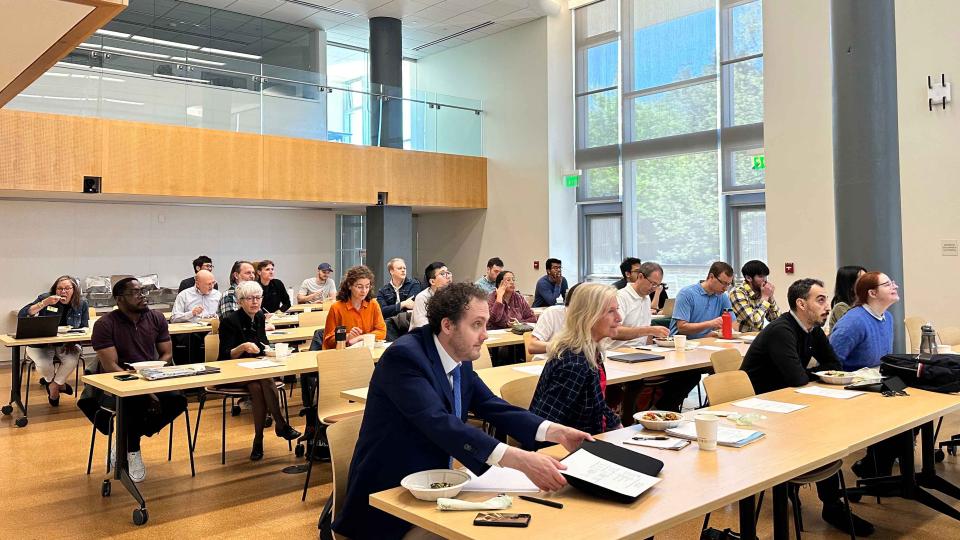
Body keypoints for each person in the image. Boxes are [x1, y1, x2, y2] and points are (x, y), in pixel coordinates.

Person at [332, 283, 594, 540]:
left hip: (436, 486)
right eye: (477, 325)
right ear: (447, 325)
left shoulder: (458, 354)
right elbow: (438, 422)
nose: (485, 334)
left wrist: (554, 431)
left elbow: (491, 405)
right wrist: (520, 459)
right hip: (389, 497)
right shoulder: (404, 357)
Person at [739, 278, 875, 537]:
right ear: (801, 304)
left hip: (790, 401)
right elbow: (798, 379)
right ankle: (828, 504)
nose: (827, 306)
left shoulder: (812, 329)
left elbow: (834, 365)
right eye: (820, 300)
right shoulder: (783, 330)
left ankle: (832, 505)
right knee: (821, 433)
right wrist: (814, 372)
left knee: (826, 430)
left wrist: (812, 372)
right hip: (759, 410)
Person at [82, 278, 187, 483]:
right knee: (135, 401)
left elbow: (166, 354)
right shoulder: (105, 324)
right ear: (120, 299)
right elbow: (110, 365)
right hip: (117, 382)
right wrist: (145, 391)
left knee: (178, 400)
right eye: (136, 293)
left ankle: (127, 439)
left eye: (143, 291)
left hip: (153, 377)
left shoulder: (156, 318)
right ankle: (133, 450)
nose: (143, 296)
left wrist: (154, 378)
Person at [218, 280, 301, 460]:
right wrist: (242, 347)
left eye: (258, 297)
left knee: (257, 386)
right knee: (265, 378)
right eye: (249, 298)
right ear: (240, 301)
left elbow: (264, 344)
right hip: (231, 371)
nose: (255, 302)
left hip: (254, 369)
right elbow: (224, 356)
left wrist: (272, 351)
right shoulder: (229, 321)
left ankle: (259, 440)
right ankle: (280, 424)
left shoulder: (260, 317)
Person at [529, 283, 623, 435]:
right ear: (589, 317)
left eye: (617, 310)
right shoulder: (574, 363)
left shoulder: (591, 352)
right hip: (573, 450)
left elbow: (597, 402)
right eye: (611, 311)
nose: (619, 318)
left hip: (594, 438)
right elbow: (545, 427)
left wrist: (616, 424)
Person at [18, 275, 88, 405]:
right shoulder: (46, 298)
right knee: (44, 363)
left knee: (72, 359)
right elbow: (23, 314)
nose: (63, 292)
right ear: (55, 289)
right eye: (60, 288)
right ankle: (57, 384)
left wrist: (74, 341)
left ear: (74, 290)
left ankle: (53, 387)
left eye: (67, 288)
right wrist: (45, 303)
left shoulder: (82, 303)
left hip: (67, 344)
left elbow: (85, 328)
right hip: (41, 344)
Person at [829, 271, 898, 371]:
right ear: (872, 293)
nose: (895, 286)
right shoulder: (853, 321)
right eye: (887, 284)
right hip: (849, 383)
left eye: (892, 283)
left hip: (877, 378)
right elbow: (830, 363)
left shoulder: (888, 317)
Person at [321, 265, 387, 349]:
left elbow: (382, 332)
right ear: (349, 285)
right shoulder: (336, 308)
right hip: (343, 354)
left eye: (367, 286)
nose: (364, 291)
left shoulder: (373, 304)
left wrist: (360, 338)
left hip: (367, 352)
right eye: (359, 287)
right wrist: (347, 337)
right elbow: (328, 340)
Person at [609, 262, 670, 348]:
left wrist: (650, 349)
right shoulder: (620, 296)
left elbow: (646, 335)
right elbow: (614, 331)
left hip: (639, 350)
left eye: (657, 285)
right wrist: (649, 330)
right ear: (640, 276)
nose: (654, 288)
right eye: (652, 283)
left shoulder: (646, 298)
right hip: (618, 351)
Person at [670, 261, 737, 339]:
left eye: (728, 284)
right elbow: (682, 328)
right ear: (711, 277)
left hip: (708, 341)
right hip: (682, 344)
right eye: (723, 283)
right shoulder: (686, 294)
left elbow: (734, 324)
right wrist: (710, 324)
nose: (725, 288)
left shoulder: (722, 296)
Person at [729, 260, 781, 333]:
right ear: (748, 278)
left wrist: (770, 297)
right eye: (760, 276)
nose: (765, 280)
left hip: (755, 338)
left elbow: (777, 320)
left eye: (766, 276)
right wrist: (765, 298)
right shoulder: (737, 293)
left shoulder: (761, 291)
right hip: (740, 339)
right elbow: (755, 323)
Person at [527, 284, 580, 355]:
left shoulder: (593, 319)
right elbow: (532, 346)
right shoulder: (552, 313)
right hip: (548, 361)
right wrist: (562, 347)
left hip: (576, 363)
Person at [409, 261, 453, 330]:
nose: (448, 276)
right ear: (432, 281)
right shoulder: (422, 297)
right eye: (443, 273)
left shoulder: (453, 296)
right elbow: (422, 326)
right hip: (422, 337)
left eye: (448, 272)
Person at [829, 265, 866, 330]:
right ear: (851, 285)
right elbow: (855, 329)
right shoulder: (841, 307)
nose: (868, 282)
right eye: (862, 280)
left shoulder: (863, 305)